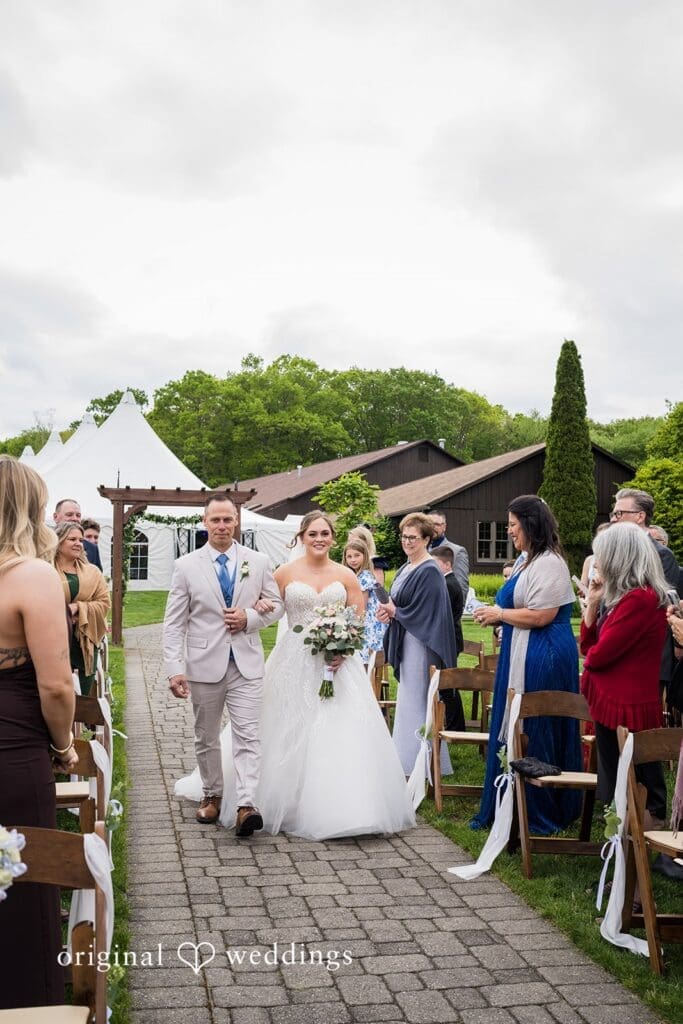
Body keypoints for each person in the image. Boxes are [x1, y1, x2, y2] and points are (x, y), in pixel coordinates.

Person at [175, 511, 415, 839]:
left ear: (333, 538)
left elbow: (359, 618)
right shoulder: (285, 572)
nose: (319, 539)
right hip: (294, 658)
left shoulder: (346, 575)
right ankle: (264, 798)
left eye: (325, 534)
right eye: (312, 533)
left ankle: (346, 806)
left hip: (335, 664)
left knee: (337, 726)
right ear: (302, 537)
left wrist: (343, 648)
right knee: (284, 725)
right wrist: (252, 612)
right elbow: (268, 606)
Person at [0, 456, 78, 1011]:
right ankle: (29, 1004)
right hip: (12, 748)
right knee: (22, 883)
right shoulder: (31, 576)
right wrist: (63, 744)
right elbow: (56, 687)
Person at [165, 496, 284, 835]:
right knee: (206, 736)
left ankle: (247, 804)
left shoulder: (258, 561)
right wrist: (175, 668)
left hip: (246, 663)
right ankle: (212, 794)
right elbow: (174, 623)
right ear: (205, 522)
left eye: (227, 520)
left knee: (248, 734)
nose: (221, 526)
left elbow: (276, 606)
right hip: (203, 665)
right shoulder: (186, 566)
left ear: (236, 522)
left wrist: (250, 618)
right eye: (215, 520)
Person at [471, 494, 581, 834]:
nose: (508, 531)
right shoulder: (528, 561)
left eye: (513, 525)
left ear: (531, 526)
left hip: (544, 654)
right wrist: (504, 622)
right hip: (523, 648)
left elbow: (543, 615)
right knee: (517, 719)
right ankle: (510, 801)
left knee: (538, 723)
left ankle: (541, 809)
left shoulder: (550, 563)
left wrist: (501, 614)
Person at [580, 523, 668, 818]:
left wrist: (591, 657)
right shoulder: (623, 597)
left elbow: (599, 655)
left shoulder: (640, 599)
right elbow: (588, 645)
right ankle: (620, 835)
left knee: (638, 775)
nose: (597, 563)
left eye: (601, 556)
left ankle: (641, 835)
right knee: (618, 771)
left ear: (619, 557)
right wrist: (592, 602)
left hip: (626, 704)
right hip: (614, 701)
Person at [378, 512, 457, 776]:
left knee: (417, 699)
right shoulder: (406, 566)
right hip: (406, 637)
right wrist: (388, 610)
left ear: (426, 539)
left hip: (421, 642)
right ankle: (407, 758)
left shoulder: (430, 569)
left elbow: (426, 611)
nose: (407, 542)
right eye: (404, 537)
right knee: (408, 697)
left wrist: (396, 612)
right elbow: (398, 601)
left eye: (413, 538)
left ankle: (418, 763)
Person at [51, 522, 110, 696]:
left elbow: (104, 603)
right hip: (53, 642)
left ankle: (81, 723)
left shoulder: (93, 572)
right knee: (57, 693)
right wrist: (64, 615)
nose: (79, 543)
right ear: (59, 541)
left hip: (84, 642)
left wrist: (78, 608)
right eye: (72, 539)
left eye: (80, 540)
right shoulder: (45, 570)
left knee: (82, 696)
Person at [431, 546, 465, 731]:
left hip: (449, 640)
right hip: (448, 638)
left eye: (435, 564)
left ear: (446, 564)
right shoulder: (447, 582)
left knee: (448, 684)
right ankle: (452, 723)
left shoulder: (449, 584)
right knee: (445, 683)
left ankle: (456, 726)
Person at [343, 537, 387, 665]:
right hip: (367, 624)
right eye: (349, 556)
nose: (353, 560)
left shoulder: (364, 577)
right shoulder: (358, 575)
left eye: (357, 555)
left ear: (365, 556)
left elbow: (362, 607)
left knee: (362, 664)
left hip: (368, 626)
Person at [427, 509, 469, 602]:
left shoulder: (457, 552)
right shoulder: (418, 549)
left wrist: (454, 614)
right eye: (429, 524)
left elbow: (461, 589)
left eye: (436, 524)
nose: (432, 527)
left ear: (444, 527)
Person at [53, 498, 102, 570]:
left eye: (78, 515)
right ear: (55, 517)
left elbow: (97, 578)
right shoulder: (44, 543)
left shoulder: (92, 548)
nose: (75, 518)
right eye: (69, 515)